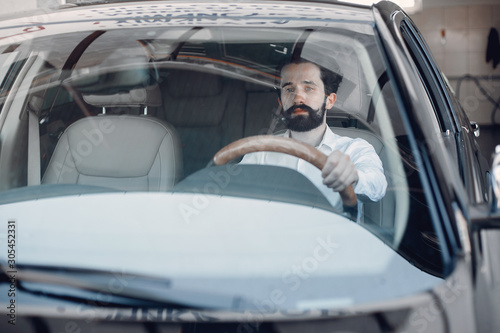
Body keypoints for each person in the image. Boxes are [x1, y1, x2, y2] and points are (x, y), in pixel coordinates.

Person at [241, 59, 387, 216]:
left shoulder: (354, 149)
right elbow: (234, 194)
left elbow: (377, 185)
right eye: (289, 90)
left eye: (309, 88)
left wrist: (354, 178)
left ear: (329, 100)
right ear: (281, 102)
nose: (298, 98)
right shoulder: (260, 153)